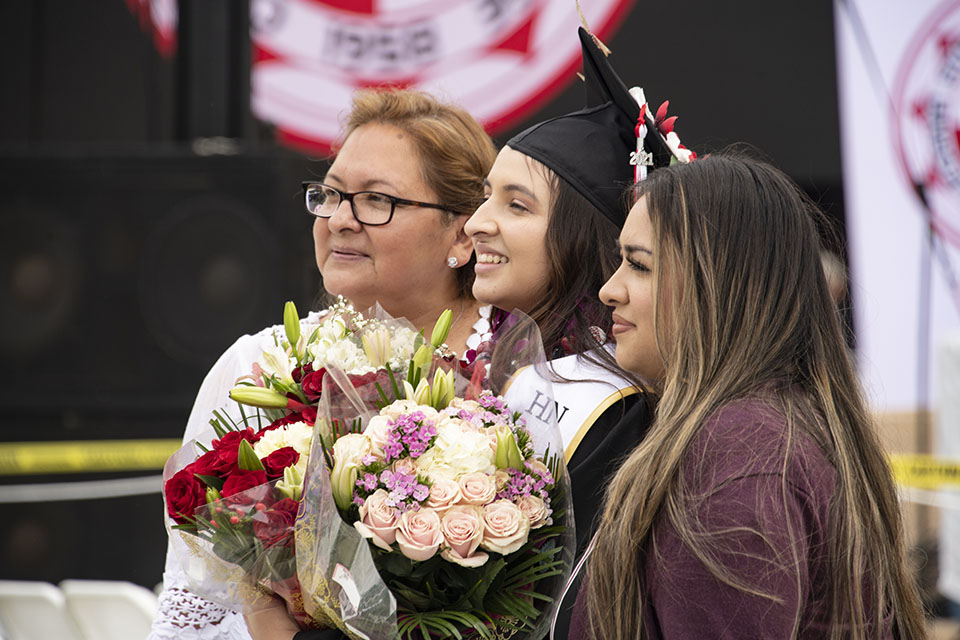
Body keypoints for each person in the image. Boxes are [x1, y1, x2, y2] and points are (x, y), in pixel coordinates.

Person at [243, 27, 692, 640]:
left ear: (583, 237)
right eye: (485, 199)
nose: (477, 225)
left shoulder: (609, 408)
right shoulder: (492, 371)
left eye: (516, 205)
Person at [148, 88, 497, 640]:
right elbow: (192, 604)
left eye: (376, 200)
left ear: (462, 231)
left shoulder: (519, 372)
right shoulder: (255, 366)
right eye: (330, 194)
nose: (338, 220)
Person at [567, 153, 926, 638]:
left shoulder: (735, 453)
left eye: (639, 265)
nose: (610, 290)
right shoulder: (762, 431)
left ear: (718, 281)